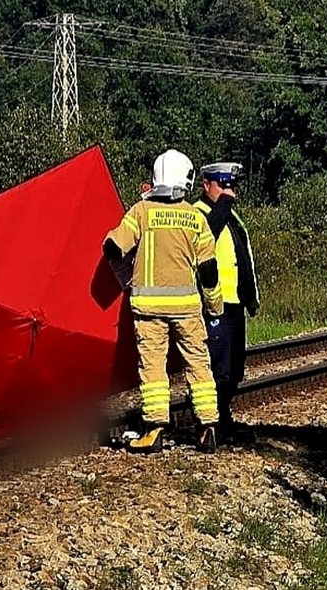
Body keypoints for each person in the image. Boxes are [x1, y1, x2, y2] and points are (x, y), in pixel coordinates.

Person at [103, 149, 224, 454]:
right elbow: (209, 271)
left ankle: (155, 430)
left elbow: (113, 247)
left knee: (153, 368)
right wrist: (215, 308)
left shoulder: (141, 212)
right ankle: (207, 428)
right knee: (198, 365)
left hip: (149, 310)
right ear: (187, 180)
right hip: (188, 309)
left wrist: (127, 274)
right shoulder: (196, 218)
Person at [193, 162, 260, 438]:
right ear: (206, 184)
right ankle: (211, 420)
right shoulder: (198, 214)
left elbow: (243, 258)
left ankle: (224, 415)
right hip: (214, 304)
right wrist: (222, 207)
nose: (228, 192)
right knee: (218, 367)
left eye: (232, 186)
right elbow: (206, 238)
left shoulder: (232, 216)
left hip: (235, 302)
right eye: (222, 185)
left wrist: (251, 297)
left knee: (234, 367)